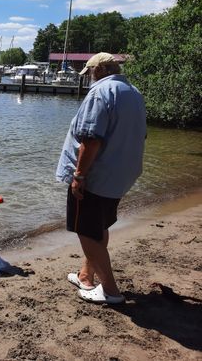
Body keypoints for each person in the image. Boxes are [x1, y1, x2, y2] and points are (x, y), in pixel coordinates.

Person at [56, 52, 146, 304]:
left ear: (100, 70)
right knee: (98, 226)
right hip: (120, 174)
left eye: (89, 73)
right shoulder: (133, 92)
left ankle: (110, 290)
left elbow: (91, 138)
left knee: (85, 231)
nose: (88, 79)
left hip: (97, 175)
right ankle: (86, 275)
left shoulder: (100, 92)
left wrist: (79, 175)